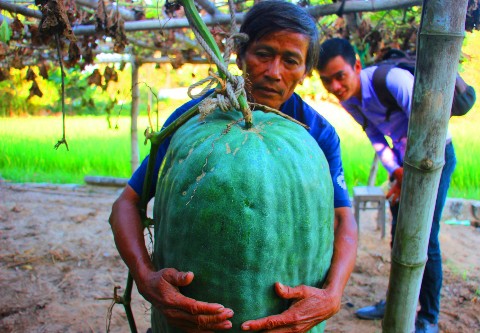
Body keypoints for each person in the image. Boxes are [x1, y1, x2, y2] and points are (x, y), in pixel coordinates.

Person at [109, 3, 358, 332]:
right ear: (239, 56)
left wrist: (333, 294)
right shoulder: (193, 120)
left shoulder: (317, 133)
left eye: (290, 61)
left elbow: (344, 218)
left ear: (305, 70)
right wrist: (145, 277)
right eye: (263, 53)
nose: (273, 71)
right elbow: (125, 204)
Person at [316, 37, 458, 333]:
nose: (335, 87)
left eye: (340, 76)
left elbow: (433, 124)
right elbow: (378, 141)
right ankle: (398, 300)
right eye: (327, 81)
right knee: (399, 233)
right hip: (406, 168)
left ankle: (428, 316)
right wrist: (397, 173)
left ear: (356, 65)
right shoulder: (350, 101)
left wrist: (411, 172)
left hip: (435, 160)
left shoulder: (392, 80)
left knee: (425, 237)